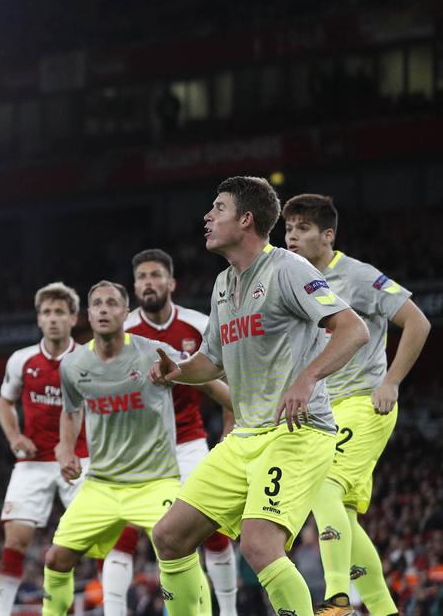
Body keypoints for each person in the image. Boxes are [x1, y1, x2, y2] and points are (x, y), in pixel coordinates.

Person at [149, 176, 370, 616]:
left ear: (246, 219)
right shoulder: (222, 285)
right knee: (169, 536)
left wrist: (307, 379)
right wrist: (179, 370)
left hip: (297, 433)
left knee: (259, 544)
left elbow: (353, 329)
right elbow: (212, 360)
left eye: (218, 208)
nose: (207, 217)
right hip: (246, 437)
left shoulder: (287, 268)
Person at [284, 193, 430, 616]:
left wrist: (392, 381)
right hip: (324, 410)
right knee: (342, 515)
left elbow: (417, 321)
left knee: (322, 486)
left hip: (365, 403)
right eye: (288, 229)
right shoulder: (295, 282)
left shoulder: (358, 275)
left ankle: (337, 598)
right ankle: (385, 611)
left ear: (328, 236)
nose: (292, 236)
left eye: (303, 229)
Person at [42, 281, 220, 616]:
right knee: (56, 559)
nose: (104, 309)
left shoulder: (153, 350)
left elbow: (208, 381)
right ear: (89, 314)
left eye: (112, 304)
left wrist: (236, 418)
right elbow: (71, 410)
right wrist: (65, 450)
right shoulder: (73, 364)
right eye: (97, 304)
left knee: (179, 551)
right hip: (102, 485)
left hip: (156, 482)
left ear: (126, 313)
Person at [103, 249, 236, 616]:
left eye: (155, 275)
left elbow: (230, 380)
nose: (149, 282)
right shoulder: (122, 331)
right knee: (125, 533)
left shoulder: (198, 323)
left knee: (213, 527)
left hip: (191, 443)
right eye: (142, 277)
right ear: (134, 287)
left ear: (171, 282)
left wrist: (229, 429)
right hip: (140, 449)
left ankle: (228, 611)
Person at [0, 283, 88, 616]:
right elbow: (5, 402)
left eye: (59, 312)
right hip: (33, 464)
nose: (52, 319)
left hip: (80, 461)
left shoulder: (88, 359)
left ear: (73, 318)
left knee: (85, 544)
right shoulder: (22, 360)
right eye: (46, 312)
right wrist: (14, 437)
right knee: (15, 541)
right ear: (38, 319)